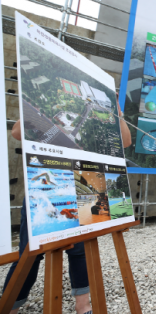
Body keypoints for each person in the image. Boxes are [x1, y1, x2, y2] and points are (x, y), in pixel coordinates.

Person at [4, 97, 132, 314]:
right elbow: (17, 132)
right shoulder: (52, 113)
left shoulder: (100, 120)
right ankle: (10, 307)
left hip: (84, 180)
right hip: (47, 181)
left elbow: (126, 142)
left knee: (81, 250)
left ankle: (83, 306)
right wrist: (32, 112)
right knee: (31, 251)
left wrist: (118, 113)